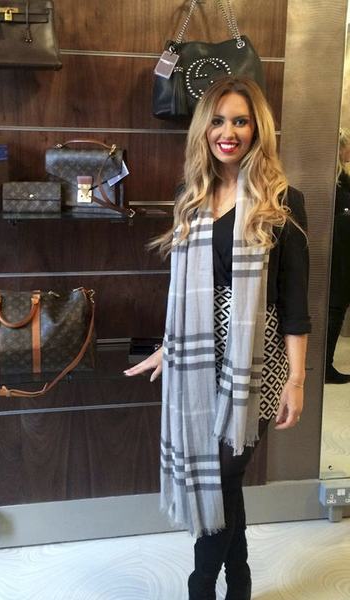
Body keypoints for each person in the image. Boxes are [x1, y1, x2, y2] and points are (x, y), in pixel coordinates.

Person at [124, 76, 310, 600]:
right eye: (219, 121)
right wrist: (169, 348)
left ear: (258, 130)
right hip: (199, 357)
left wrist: (297, 380)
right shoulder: (190, 197)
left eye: (241, 121)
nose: (228, 132)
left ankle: (200, 585)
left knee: (224, 476)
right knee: (224, 481)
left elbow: (295, 303)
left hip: (259, 358)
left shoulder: (283, 200)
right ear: (204, 129)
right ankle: (240, 582)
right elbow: (187, 295)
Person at [325, 127, 350, 384]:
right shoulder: (336, 181)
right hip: (338, 252)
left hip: (339, 250)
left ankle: (325, 363)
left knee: (336, 306)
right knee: (335, 306)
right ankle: (325, 365)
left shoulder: (339, 179)